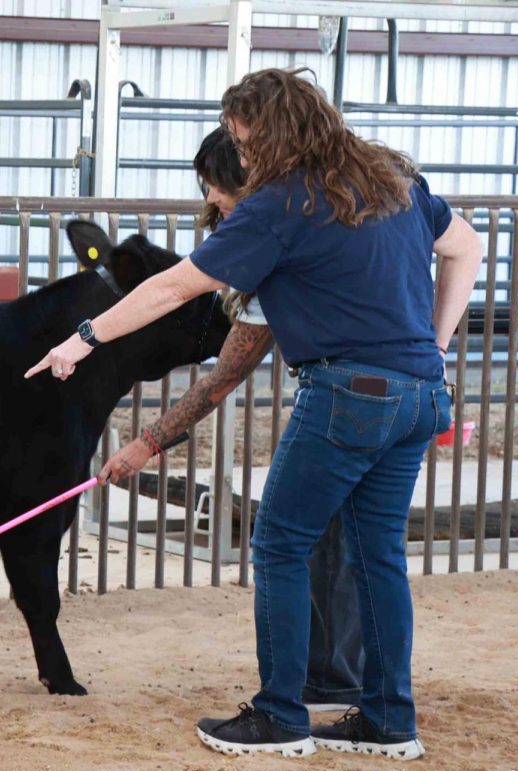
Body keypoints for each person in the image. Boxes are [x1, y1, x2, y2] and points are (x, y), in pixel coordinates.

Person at [27, 68, 483, 760]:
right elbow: (467, 246)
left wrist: (84, 337)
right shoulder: (392, 178)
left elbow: (174, 288)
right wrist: (437, 347)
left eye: (241, 139)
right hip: (420, 393)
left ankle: (279, 715)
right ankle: (390, 720)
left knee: (279, 544)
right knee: (377, 554)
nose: (238, 155)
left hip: (345, 393)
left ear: (272, 133)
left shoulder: (281, 203)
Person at [100, 126, 365, 713]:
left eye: (216, 188)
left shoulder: (277, 240)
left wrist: (146, 441)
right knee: (358, 541)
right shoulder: (340, 207)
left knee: (279, 541)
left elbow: (223, 378)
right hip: (406, 385)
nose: (211, 202)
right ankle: (363, 692)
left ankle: (297, 697)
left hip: (341, 394)